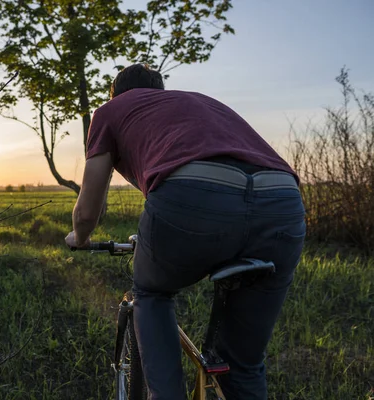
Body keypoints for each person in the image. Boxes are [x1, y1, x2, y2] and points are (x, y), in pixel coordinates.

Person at [65, 64, 305, 399]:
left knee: (151, 293)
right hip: (283, 202)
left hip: (195, 198)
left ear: (116, 94)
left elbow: (88, 208)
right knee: (243, 366)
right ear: (159, 92)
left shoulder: (110, 110)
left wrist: (81, 236)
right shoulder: (198, 102)